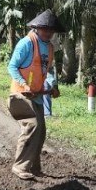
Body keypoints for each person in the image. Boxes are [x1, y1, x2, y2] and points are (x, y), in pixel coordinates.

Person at [7, 10, 62, 180]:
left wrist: (53, 85)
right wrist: (24, 84)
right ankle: (20, 166)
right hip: (20, 95)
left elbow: (47, 70)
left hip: (37, 95)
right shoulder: (27, 43)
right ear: (36, 27)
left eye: (51, 30)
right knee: (33, 125)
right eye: (45, 29)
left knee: (41, 131)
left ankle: (34, 168)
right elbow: (12, 67)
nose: (48, 32)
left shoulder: (50, 47)